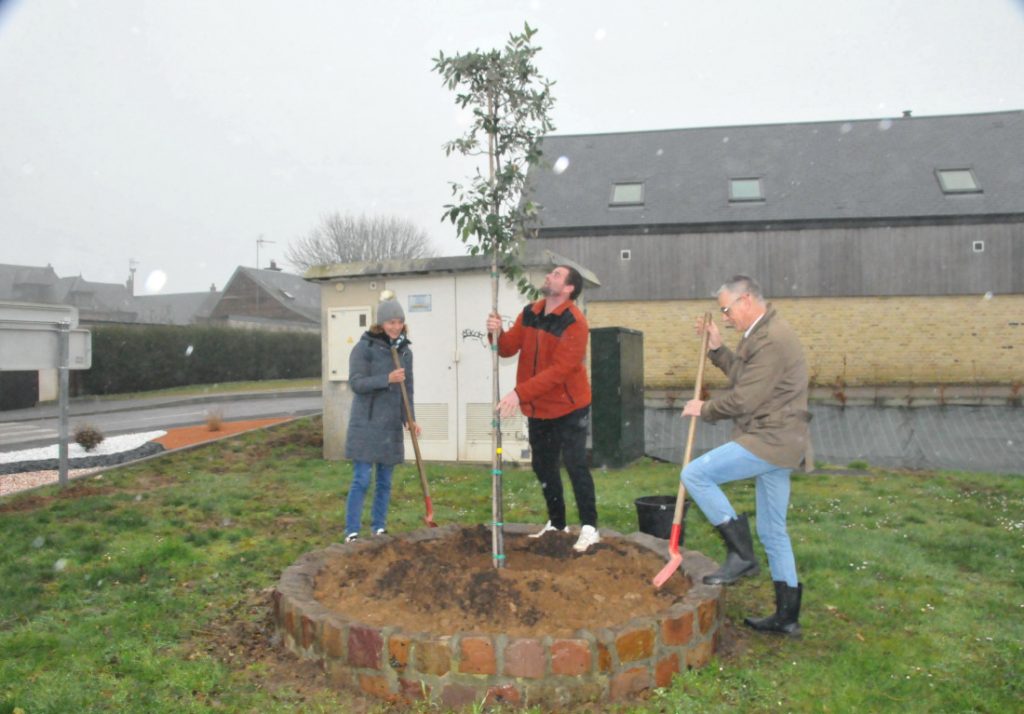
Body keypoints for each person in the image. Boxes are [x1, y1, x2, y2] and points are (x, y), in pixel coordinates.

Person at [680, 275, 811, 637]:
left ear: (747, 300)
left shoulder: (770, 339)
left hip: (771, 437)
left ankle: (742, 556)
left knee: (696, 474)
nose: (725, 317)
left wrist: (703, 408)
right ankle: (787, 617)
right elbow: (747, 379)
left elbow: (745, 399)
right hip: (780, 437)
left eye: (727, 309)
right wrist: (719, 349)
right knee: (774, 531)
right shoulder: (761, 334)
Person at [486, 265, 600, 553]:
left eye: (557, 275)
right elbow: (508, 348)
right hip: (538, 408)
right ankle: (558, 523)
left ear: (569, 288)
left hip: (569, 406)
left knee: (575, 464)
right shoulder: (530, 312)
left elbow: (560, 371)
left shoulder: (575, 323)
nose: (549, 276)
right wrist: (496, 333)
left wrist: (518, 393)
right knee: (543, 466)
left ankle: (589, 528)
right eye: (550, 274)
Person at [343, 296, 421, 543]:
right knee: (362, 479)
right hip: (366, 424)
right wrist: (385, 379)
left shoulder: (404, 352)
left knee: (385, 482)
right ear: (380, 323)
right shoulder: (364, 348)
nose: (395, 326)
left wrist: (409, 419)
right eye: (390, 322)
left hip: (390, 427)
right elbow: (356, 383)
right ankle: (352, 531)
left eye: (399, 322)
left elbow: (407, 389)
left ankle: (379, 527)